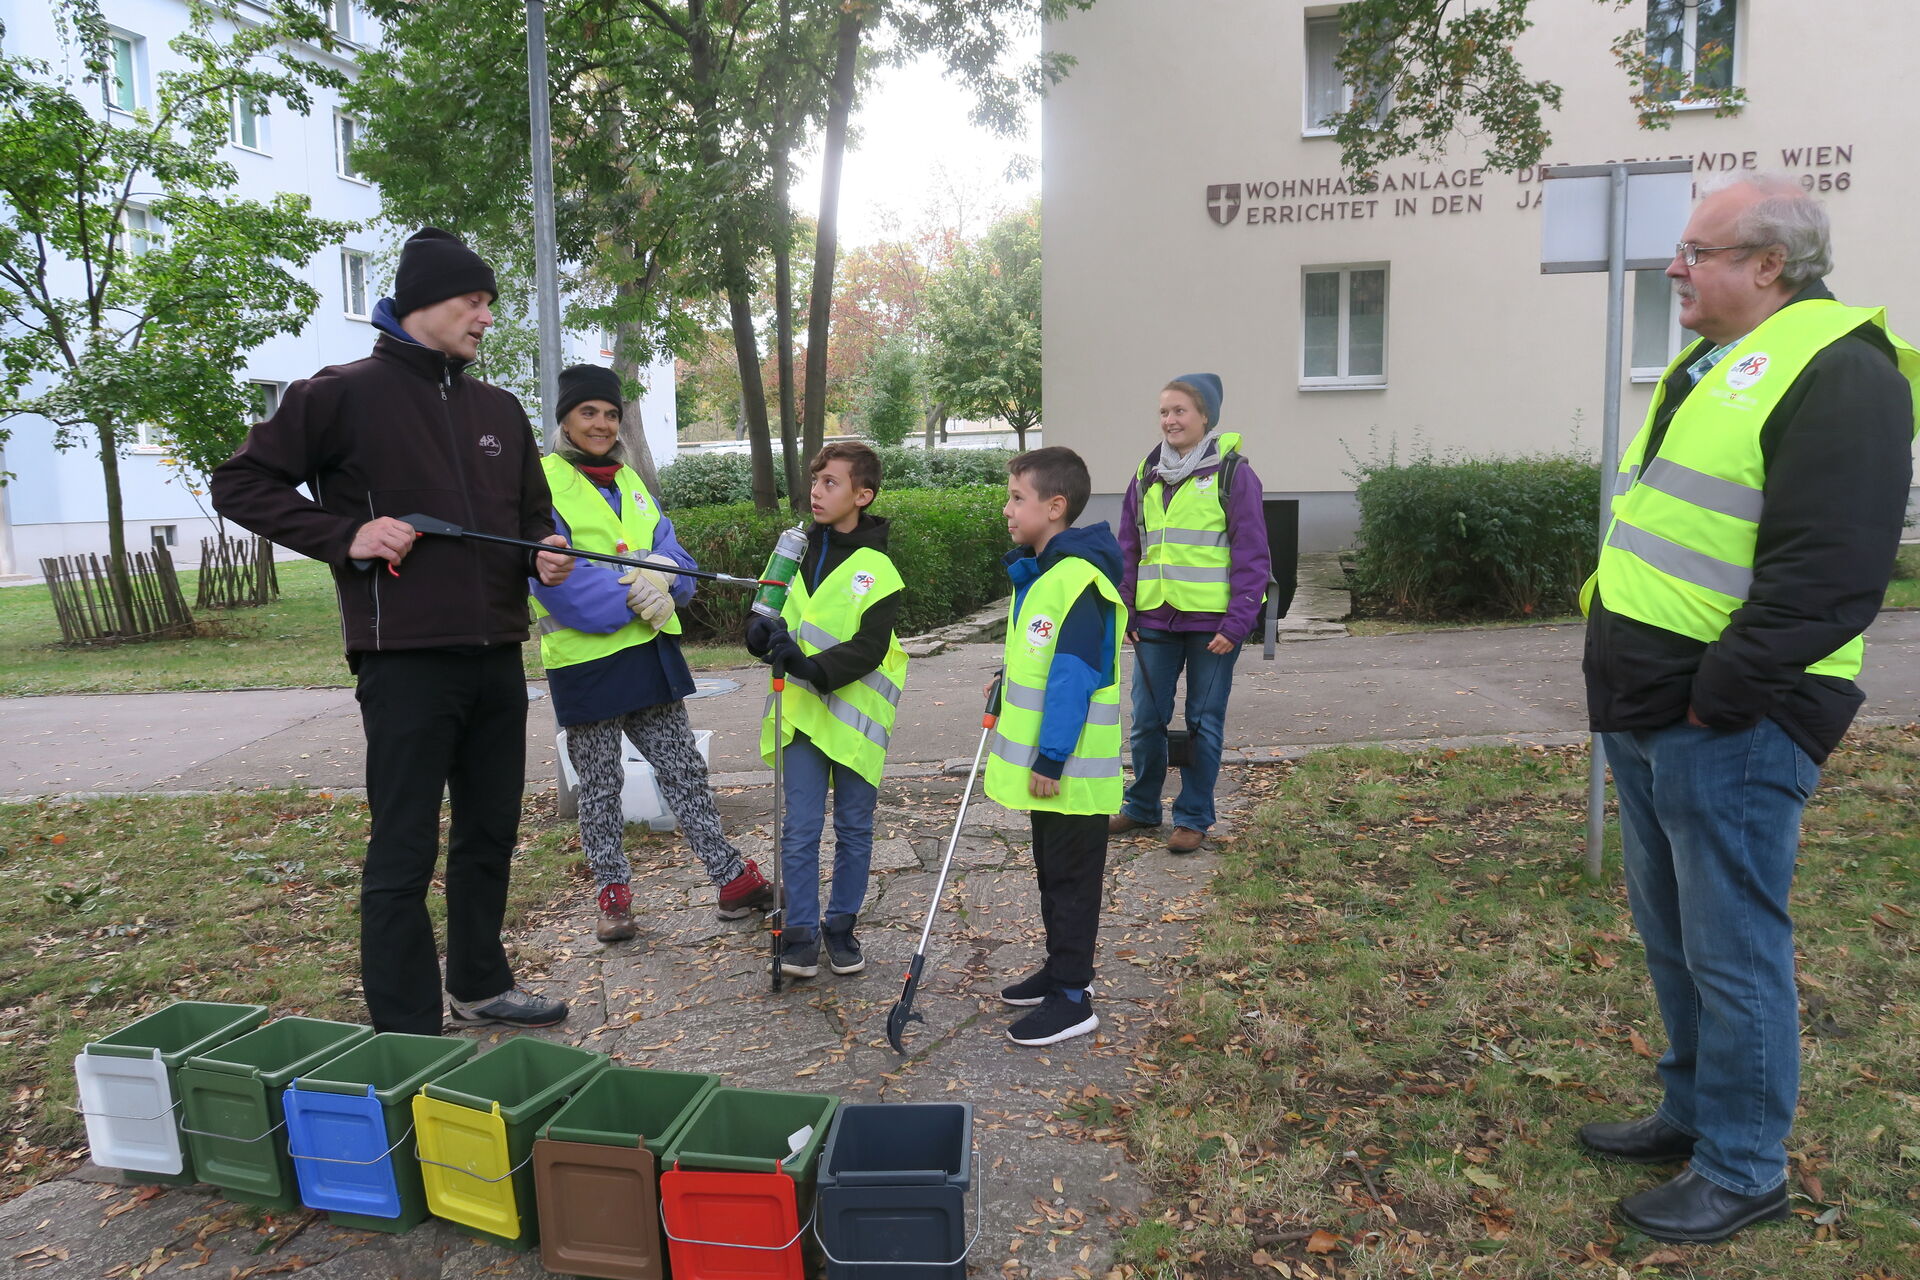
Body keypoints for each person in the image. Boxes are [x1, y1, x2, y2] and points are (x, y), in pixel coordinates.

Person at [1578, 175, 1918, 1243]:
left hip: (1728, 720)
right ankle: (1691, 1111)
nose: (1675, 265)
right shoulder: (1715, 358)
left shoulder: (1843, 372)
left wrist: (1716, 699)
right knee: (1675, 937)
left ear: (1768, 265)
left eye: (1697, 249)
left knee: (1733, 947)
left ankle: (1743, 1163)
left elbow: (1833, 574)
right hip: (1652, 704)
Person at [211, 227, 578, 1034]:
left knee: (490, 831)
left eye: (489, 303)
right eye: (471, 301)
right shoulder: (340, 393)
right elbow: (239, 481)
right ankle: (406, 1024)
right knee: (404, 845)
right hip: (404, 660)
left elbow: (529, 520)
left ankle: (481, 982)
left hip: (495, 656)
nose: (486, 317)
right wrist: (345, 535)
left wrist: (545, 556)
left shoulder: (499, 410)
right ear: (422, 304)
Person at [530, 364, 775, 944]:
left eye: (611, 414)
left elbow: (676, 561)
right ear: (565, 416)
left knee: (684, 771)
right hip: (586, 664)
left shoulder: (632, 480)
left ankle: (730, 878)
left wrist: (666, 579)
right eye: (588, 412)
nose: (601, 424)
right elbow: (559, 588)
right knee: (600, 785)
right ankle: (612, 896)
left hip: (649, 658)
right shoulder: (542, 483)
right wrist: (643, 592)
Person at [746, 442, 908, 979]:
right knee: (800, 828)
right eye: (815, 480)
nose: (817, 491)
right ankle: (798, 933)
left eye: (831, 483)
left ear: (862, 495)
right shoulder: (790, 550)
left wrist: (808, 666)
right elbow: (762, 614)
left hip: (854, 721)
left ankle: (840, 927)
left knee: (855, 827)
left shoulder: (877, 567)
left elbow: (869, 647)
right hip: (799, 717)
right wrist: (758, 632)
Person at [986, 447, 1126, 1046]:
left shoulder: (1078, 580)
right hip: (1057, 775)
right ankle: (1059, 970)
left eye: (1019, 497)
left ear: (1056, 506)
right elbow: (1039, 663)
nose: (1008, 508)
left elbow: (1073, 677)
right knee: (1052, 875)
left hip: (1071, 772)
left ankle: (1073, 996)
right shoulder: (1044, 572)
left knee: (1071, 882)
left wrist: (1051, 756)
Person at [1110, 374, 1270, 854]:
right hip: (1154, 622)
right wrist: (1127, 609)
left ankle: (1194, 817)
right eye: (1164, 411)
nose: (1170, 420)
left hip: (1214, 629)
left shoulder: (1234, 474)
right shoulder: (1146, 474)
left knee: (1203, 722)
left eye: (1180, 411)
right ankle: (1141, 807)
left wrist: (1238, 621)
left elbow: (1253, 554)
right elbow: (1129, 547)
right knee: (1145, 721)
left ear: (1205, 417)